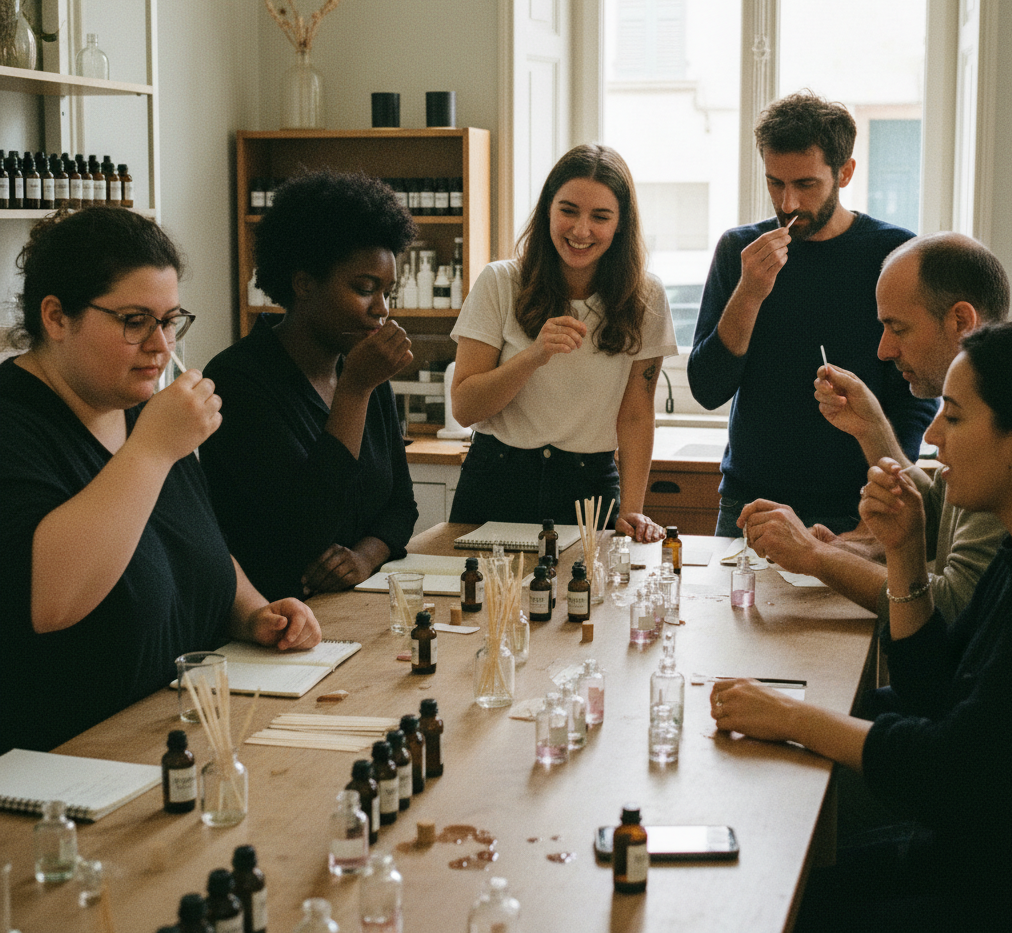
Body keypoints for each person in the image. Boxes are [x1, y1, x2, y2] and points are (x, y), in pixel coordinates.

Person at [710, 319, 1012, 931]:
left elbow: (946, 771)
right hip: (968, 852)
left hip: (990, 887)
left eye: (954, 418)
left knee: (778, 893)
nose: (932, 436)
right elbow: (930, 693)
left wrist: (796, 718)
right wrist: (904, 550)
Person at [0, 208, 320, 755]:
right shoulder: (17, 422)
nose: (161, 346)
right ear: (55, 317)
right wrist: (151, 451)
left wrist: (250, 610)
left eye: (169, 320)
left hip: (172, 738)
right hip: (66, 773)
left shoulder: (135, 408)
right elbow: (50, 600)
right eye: (134, 321)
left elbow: (189, 541)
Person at [688, 91, 937, 537]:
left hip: (859, 507)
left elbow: (918, 389)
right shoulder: (739, 252)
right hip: (751, 503)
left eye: (805, 184)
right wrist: (749, 293)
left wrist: (892, 474)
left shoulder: (893, 253)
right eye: (774, 183)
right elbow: (707, 388)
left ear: (845, 173)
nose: (787, 204)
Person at [739, 233, 1010, 621]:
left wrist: (817, 557)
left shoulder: (1001, 422)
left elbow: (953, 604)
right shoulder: (985, 401)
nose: (884, 350)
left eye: (898, 329)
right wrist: (871, 428)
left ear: (961, 321)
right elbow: (934, 518)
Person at [201, 171, 418, 599]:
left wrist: (364, 558)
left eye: (387, 291)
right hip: (274, 620)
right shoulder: (237, 379)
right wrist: (354, 392)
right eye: (365, 288)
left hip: (353, 607)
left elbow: (401, 506)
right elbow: (303, 534)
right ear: (304, 284)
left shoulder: (362, 370)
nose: (381, 309)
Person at [448, 144, 678, 542]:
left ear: (621, 224)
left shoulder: (646, 298)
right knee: (479, 601)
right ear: (547, 211)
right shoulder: (500, 283)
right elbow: (466, 408)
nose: (581, 230)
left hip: (589, 487)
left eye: (600, 217)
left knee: (592, 603)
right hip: (497, 477)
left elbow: (637, 415)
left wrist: (632, 509)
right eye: (568, 210)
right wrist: (533, 355)